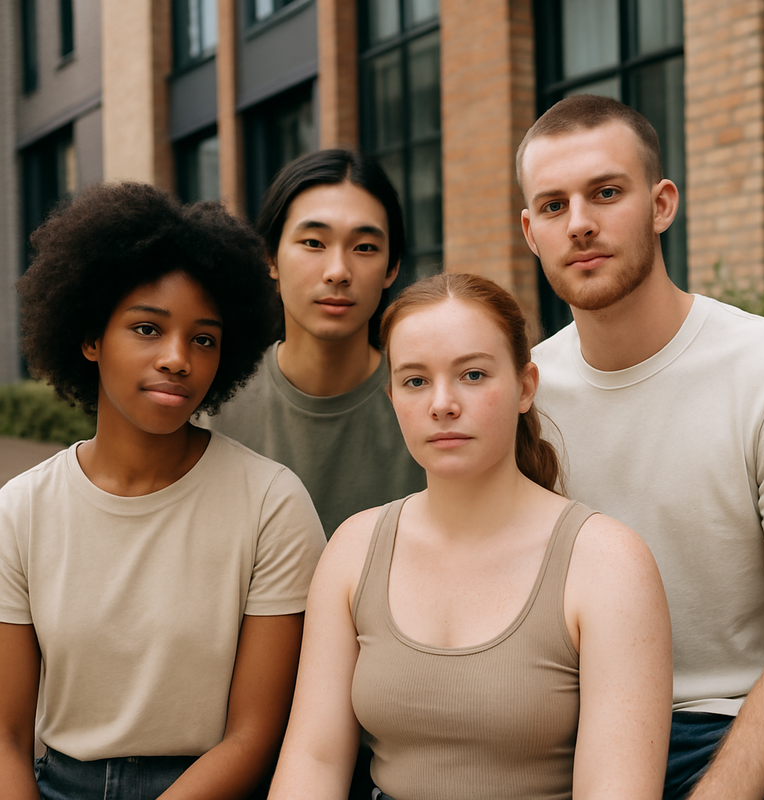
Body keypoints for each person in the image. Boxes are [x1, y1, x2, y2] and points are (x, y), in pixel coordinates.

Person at [267, 272, 672, 800]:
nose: (442, 403)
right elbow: (313, 762)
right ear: (391, 398)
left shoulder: (608, 562)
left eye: (473, 375)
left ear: (526, 386)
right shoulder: (354, 548)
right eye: (415, 381)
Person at [0, 182, 326, 800]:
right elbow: (6, 738)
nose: (178, 358)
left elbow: (253, 737)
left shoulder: (270, 503)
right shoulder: (20, 511)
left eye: (203, 338)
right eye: (148, 329)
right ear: (90, 338)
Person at [517, 94, 764, 800]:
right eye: (553, 207)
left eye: (606, 193)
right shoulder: (523, 396)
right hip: (575, 739)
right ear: (530, 231)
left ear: (661, 203)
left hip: (741, 726)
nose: (579, 224)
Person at [207, 149, 426, 540]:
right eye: (313, 242)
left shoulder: (431, 404)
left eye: (364, 248)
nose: (338, 271)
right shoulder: (211, 401)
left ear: (392, 267)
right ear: (269, 257)